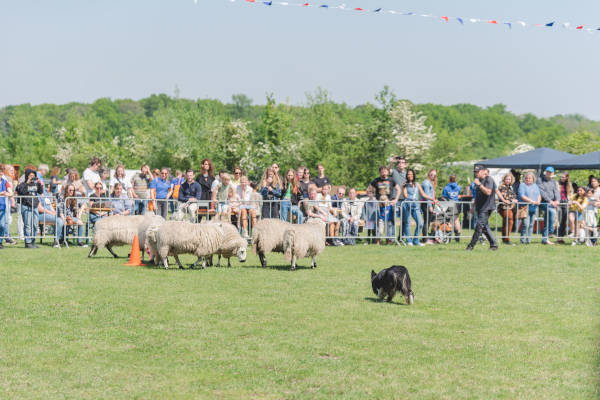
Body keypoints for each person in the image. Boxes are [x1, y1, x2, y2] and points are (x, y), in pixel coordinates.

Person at [466, 166, 499, 251]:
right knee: (485, 227)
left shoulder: (489, 179)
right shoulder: (479, 180)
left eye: (477, 171)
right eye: (475, 172)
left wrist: (479, 185)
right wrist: (473, 207)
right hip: (480, 207)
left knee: (479, 226)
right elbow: (477, 196)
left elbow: (488, 192)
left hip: (487, 207)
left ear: (484, 171)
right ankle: (494, 245)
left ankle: (470, 246)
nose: (476, 173)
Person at [369, 166, 400, 244]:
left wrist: (396, 199)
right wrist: (373, 199)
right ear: (380, 172)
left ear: (388, 171)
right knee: (380, 224)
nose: (383, 172)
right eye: (382, 171)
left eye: (385, 170)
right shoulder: (376, 180)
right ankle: (378, 241)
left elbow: (398, 189)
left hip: (389, 205)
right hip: (379, 206)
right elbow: (369, 189)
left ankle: (388, 240)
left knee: (389, 223)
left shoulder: (391, 180)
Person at [16, 169, 44, 248]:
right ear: (27, 176)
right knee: (27, 225)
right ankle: (27, 243)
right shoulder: (23, 184)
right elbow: (20, 191)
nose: (32, 177)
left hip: (35, 206)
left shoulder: (35, 184)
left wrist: (39, 184)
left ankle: (33, 241)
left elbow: (40, 192)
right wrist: (27, 182)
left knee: (35, 225)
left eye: (33, 176)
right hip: (26, 205)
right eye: (30, 176)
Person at [536, 166, 560, 245]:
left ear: (553, 173)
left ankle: (544, 239)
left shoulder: (553, 181)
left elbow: (556, 191)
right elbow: (542, 192)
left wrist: (557, 200)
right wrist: (550, 201)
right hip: (543, 202)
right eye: (548, 172)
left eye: (550, 172)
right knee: (552, 212)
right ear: (545, 172)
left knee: (547, 220)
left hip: (552, 203)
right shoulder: (540, 180)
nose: (549, 173)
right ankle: (550, 231)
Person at [402, 169, 425, 246]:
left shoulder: (417, 184)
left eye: (411, 174)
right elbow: (405, 196)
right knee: (407, 223)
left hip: (416, 205)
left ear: (414, 175)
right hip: (407, 204)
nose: (410, 175)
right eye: (408, 174)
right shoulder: (405, 184)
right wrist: (403, 188)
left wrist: (433, 199)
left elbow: (423, 194)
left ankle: (416, 240)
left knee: (420, 223)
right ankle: (409, 240)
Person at [518, 172, 541, 245]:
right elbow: (522, 196)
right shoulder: (522, 185)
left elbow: (539, 195)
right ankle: (522, 240)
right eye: (527, 178)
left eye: (530, 178)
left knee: (531, 225)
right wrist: (532, 201)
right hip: (525, 207)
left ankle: (528, 240)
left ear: (533, 179)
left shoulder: (535, 186)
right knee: (525, 224)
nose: (528, 179)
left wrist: (538, 201)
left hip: (534, 208)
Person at [497, 173, 518, 245]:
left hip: (510, 207)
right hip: (504, 207)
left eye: (509, 179)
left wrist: (514, 200)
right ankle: (506, 239)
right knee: (509, 221)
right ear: (504, 179)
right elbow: (505, 198)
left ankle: (505, 239)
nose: (508, 180)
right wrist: (513, 200)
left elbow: (514, 196)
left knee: (507, 222)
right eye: (507, 179)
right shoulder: (502, 187)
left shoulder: (510, 187)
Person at [390, 156, 407, 239]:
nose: (400, 164)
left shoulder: (408, 174)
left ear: (405, 165)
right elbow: (387, 170)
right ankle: (392, 239)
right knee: (393, 219)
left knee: (404, 220)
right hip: (394, 199)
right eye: (399, 162)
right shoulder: (394, 171)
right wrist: (392, 161)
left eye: (402, 162)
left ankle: (401, 237)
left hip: (404, 200)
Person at [441, 174, 462, 242]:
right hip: (457, 203)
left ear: (449, 179)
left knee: (449, 220)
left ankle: (449, 237)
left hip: (449, 203)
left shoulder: (446, 187)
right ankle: (457, 237)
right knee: (456, 220)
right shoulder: (458, 187)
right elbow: (458, 194)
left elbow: (443, 197)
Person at [421, 169, 438, 244]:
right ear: (428, 174)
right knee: (426, 222)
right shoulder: (426, 183)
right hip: (427, 204)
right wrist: (430, 206)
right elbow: (426, 195)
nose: (433, 176)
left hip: (430, 203)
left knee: (427, 222)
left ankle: (426, 238)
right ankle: (425, 239)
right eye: (431, 174)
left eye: (434, 175)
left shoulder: (430, 182)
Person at [556, 172, 574, 243]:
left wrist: (570, 202)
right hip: (559, 202)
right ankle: (558, 237)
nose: (562, 178)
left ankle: (561, 237)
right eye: (561, 177)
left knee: (564, 221)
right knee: (559, 221)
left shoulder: (569, 185)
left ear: (567, 177)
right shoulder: (557, 184)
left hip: (566, 202)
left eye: (563, 177)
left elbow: (571, 194)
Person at [0, 164, 11, 249]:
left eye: (1, 171)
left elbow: (10, 192)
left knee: (2, 225)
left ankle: (0, 242)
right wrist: (2, 193)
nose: (0, 173)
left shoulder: (4, 181)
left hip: (2, 207)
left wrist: (8, 193)